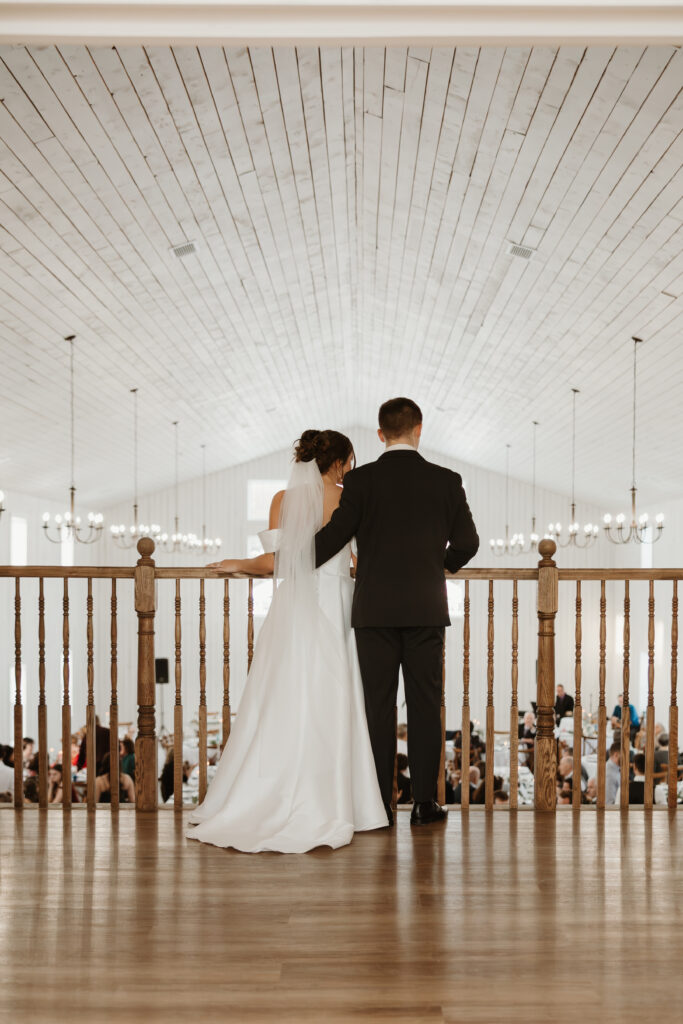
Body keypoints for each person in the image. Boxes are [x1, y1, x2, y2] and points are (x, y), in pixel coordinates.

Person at [187, 430, 388, 853]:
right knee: (335, 697)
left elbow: (277, 562)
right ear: (342, 462)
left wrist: (237, 563)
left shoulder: (283, 499)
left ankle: (267, 792)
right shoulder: (349, 496)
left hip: (294, 606)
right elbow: (355, 559)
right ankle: (340, 799)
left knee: (284, 695)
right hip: (337, 604)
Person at [315, 398, 479, 826]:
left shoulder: (362, 481)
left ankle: (379, 806)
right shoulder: (446, 481)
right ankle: (424, 804)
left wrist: (290, 559)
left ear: (380, 434)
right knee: (425, 707)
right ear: (419, 429)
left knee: (378, 709)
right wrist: (438, 564)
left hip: (374, 612)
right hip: (426, 608)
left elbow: (333, 538)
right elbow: (468, 543)